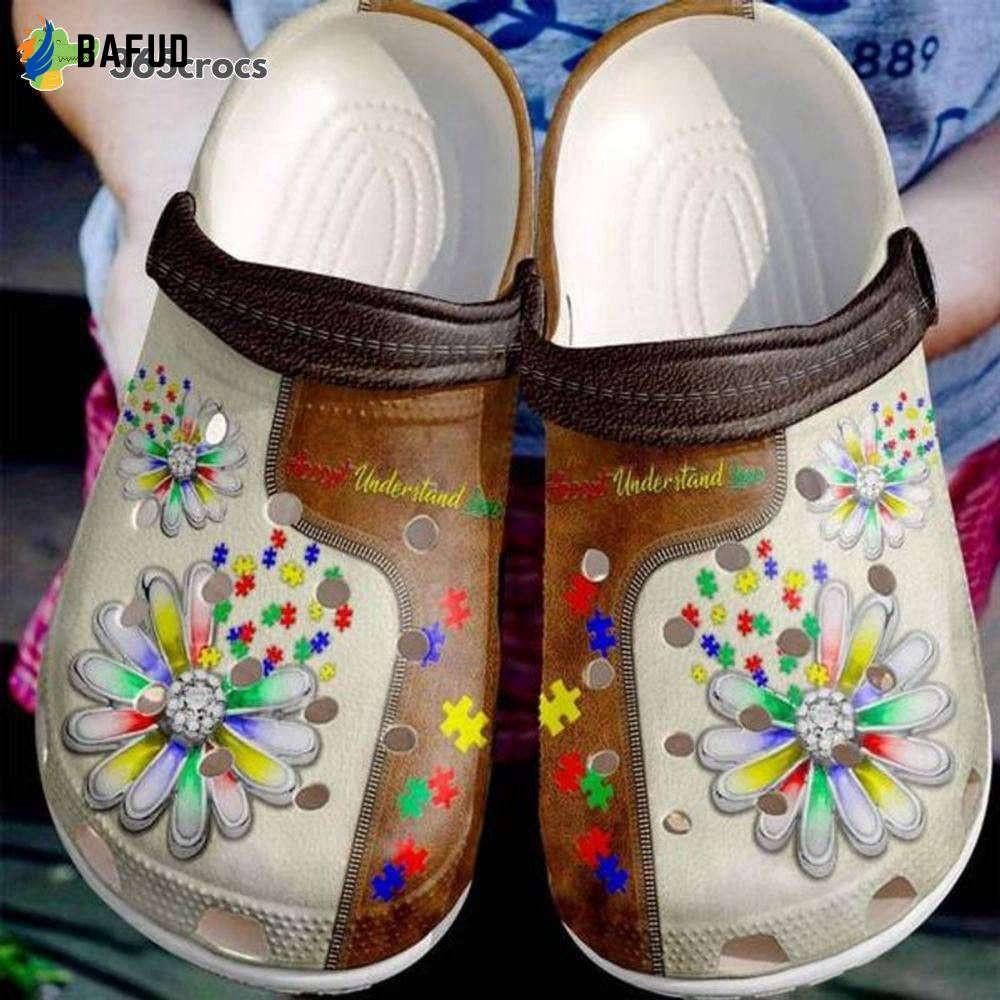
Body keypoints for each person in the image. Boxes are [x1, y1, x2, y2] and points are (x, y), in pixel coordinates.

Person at [11, 1, 1000, 744]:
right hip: (278, 402)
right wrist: (174, 171)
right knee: (325, 826)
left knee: (695, 830)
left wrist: (896, 307)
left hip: (830, 435)